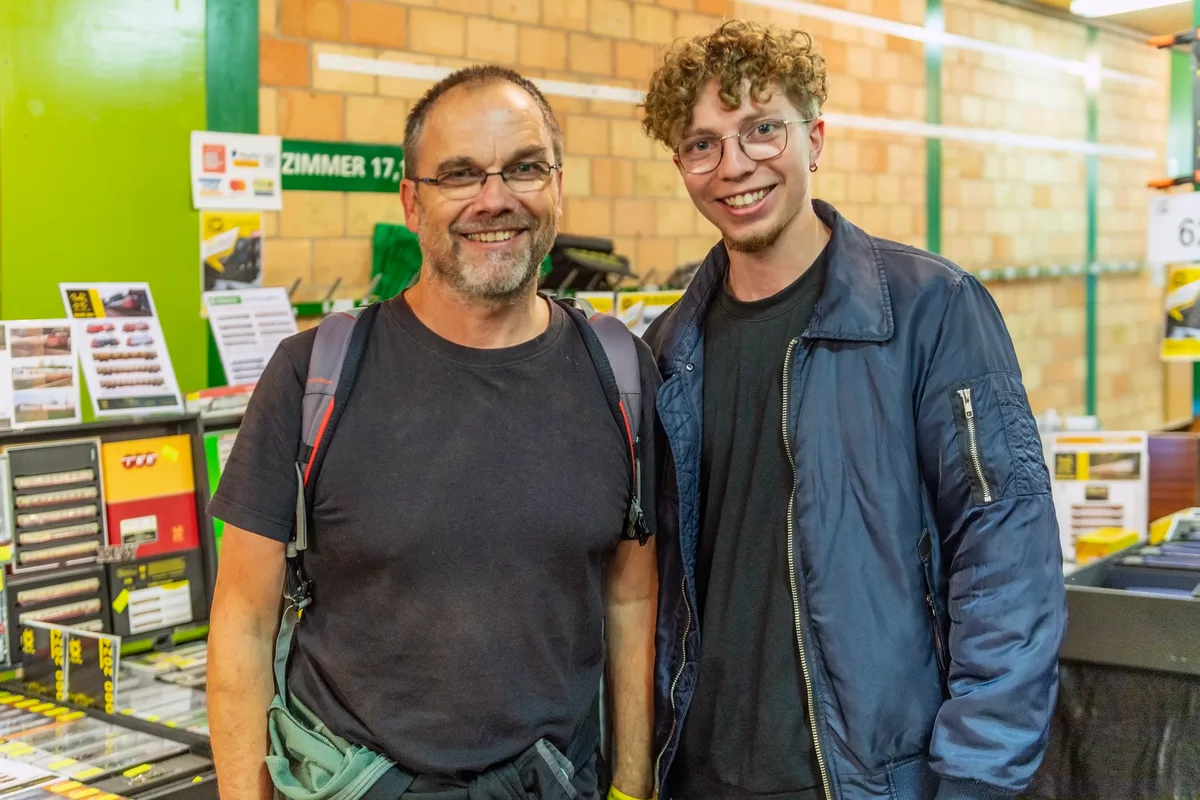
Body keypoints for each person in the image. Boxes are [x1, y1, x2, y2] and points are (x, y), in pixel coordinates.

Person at [639, 20, 1066, 800]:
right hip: (698, 775)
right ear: (681, 165)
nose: (735, 166)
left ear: (816, 138)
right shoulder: (669, 350)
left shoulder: (931, 311)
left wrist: (975, 775)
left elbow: (1006, 554)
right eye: (703, 144)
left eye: (762, 129)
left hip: (864, 780)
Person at [207, 65, 660, 800]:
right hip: (358, 783)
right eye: (460, 175)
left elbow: (631, 599)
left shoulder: (619, 374)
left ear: (558, 186)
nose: (495, 199)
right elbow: (242, 619)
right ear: (412, 203)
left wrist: (632, 784)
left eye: (524, 168)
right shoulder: (313, 374)